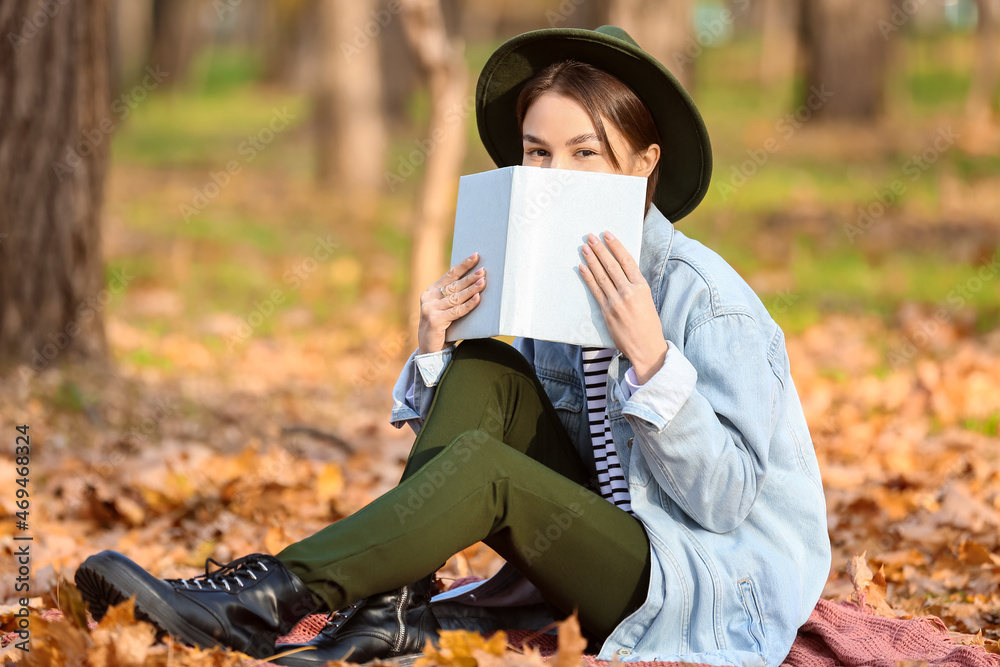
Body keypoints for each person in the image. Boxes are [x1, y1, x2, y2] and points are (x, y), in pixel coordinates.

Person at [74, 25, 831, 667]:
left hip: (696, 579)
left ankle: (261, 598)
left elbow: (725, 502)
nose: (555, 176)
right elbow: (499, 433)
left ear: (642, 165)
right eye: (538, 153)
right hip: (593, 538)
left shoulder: (709, 300)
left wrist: (654, 362)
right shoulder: (554, 270)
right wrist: (436, 351)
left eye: (585, 153)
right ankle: (392, 606)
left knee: (489, 473)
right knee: (484, 365)